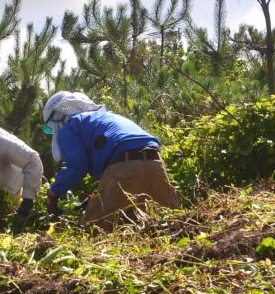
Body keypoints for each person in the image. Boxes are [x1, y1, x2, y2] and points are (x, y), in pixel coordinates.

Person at [42, 91, 180, 229]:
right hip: (155, 162)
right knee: (169, 224)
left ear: (57, 117)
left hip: (125, 166)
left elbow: (78, 168)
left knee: (93, 229)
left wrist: (53, 192)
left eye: (50, 129)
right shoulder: (105, 117)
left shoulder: (72, 126)